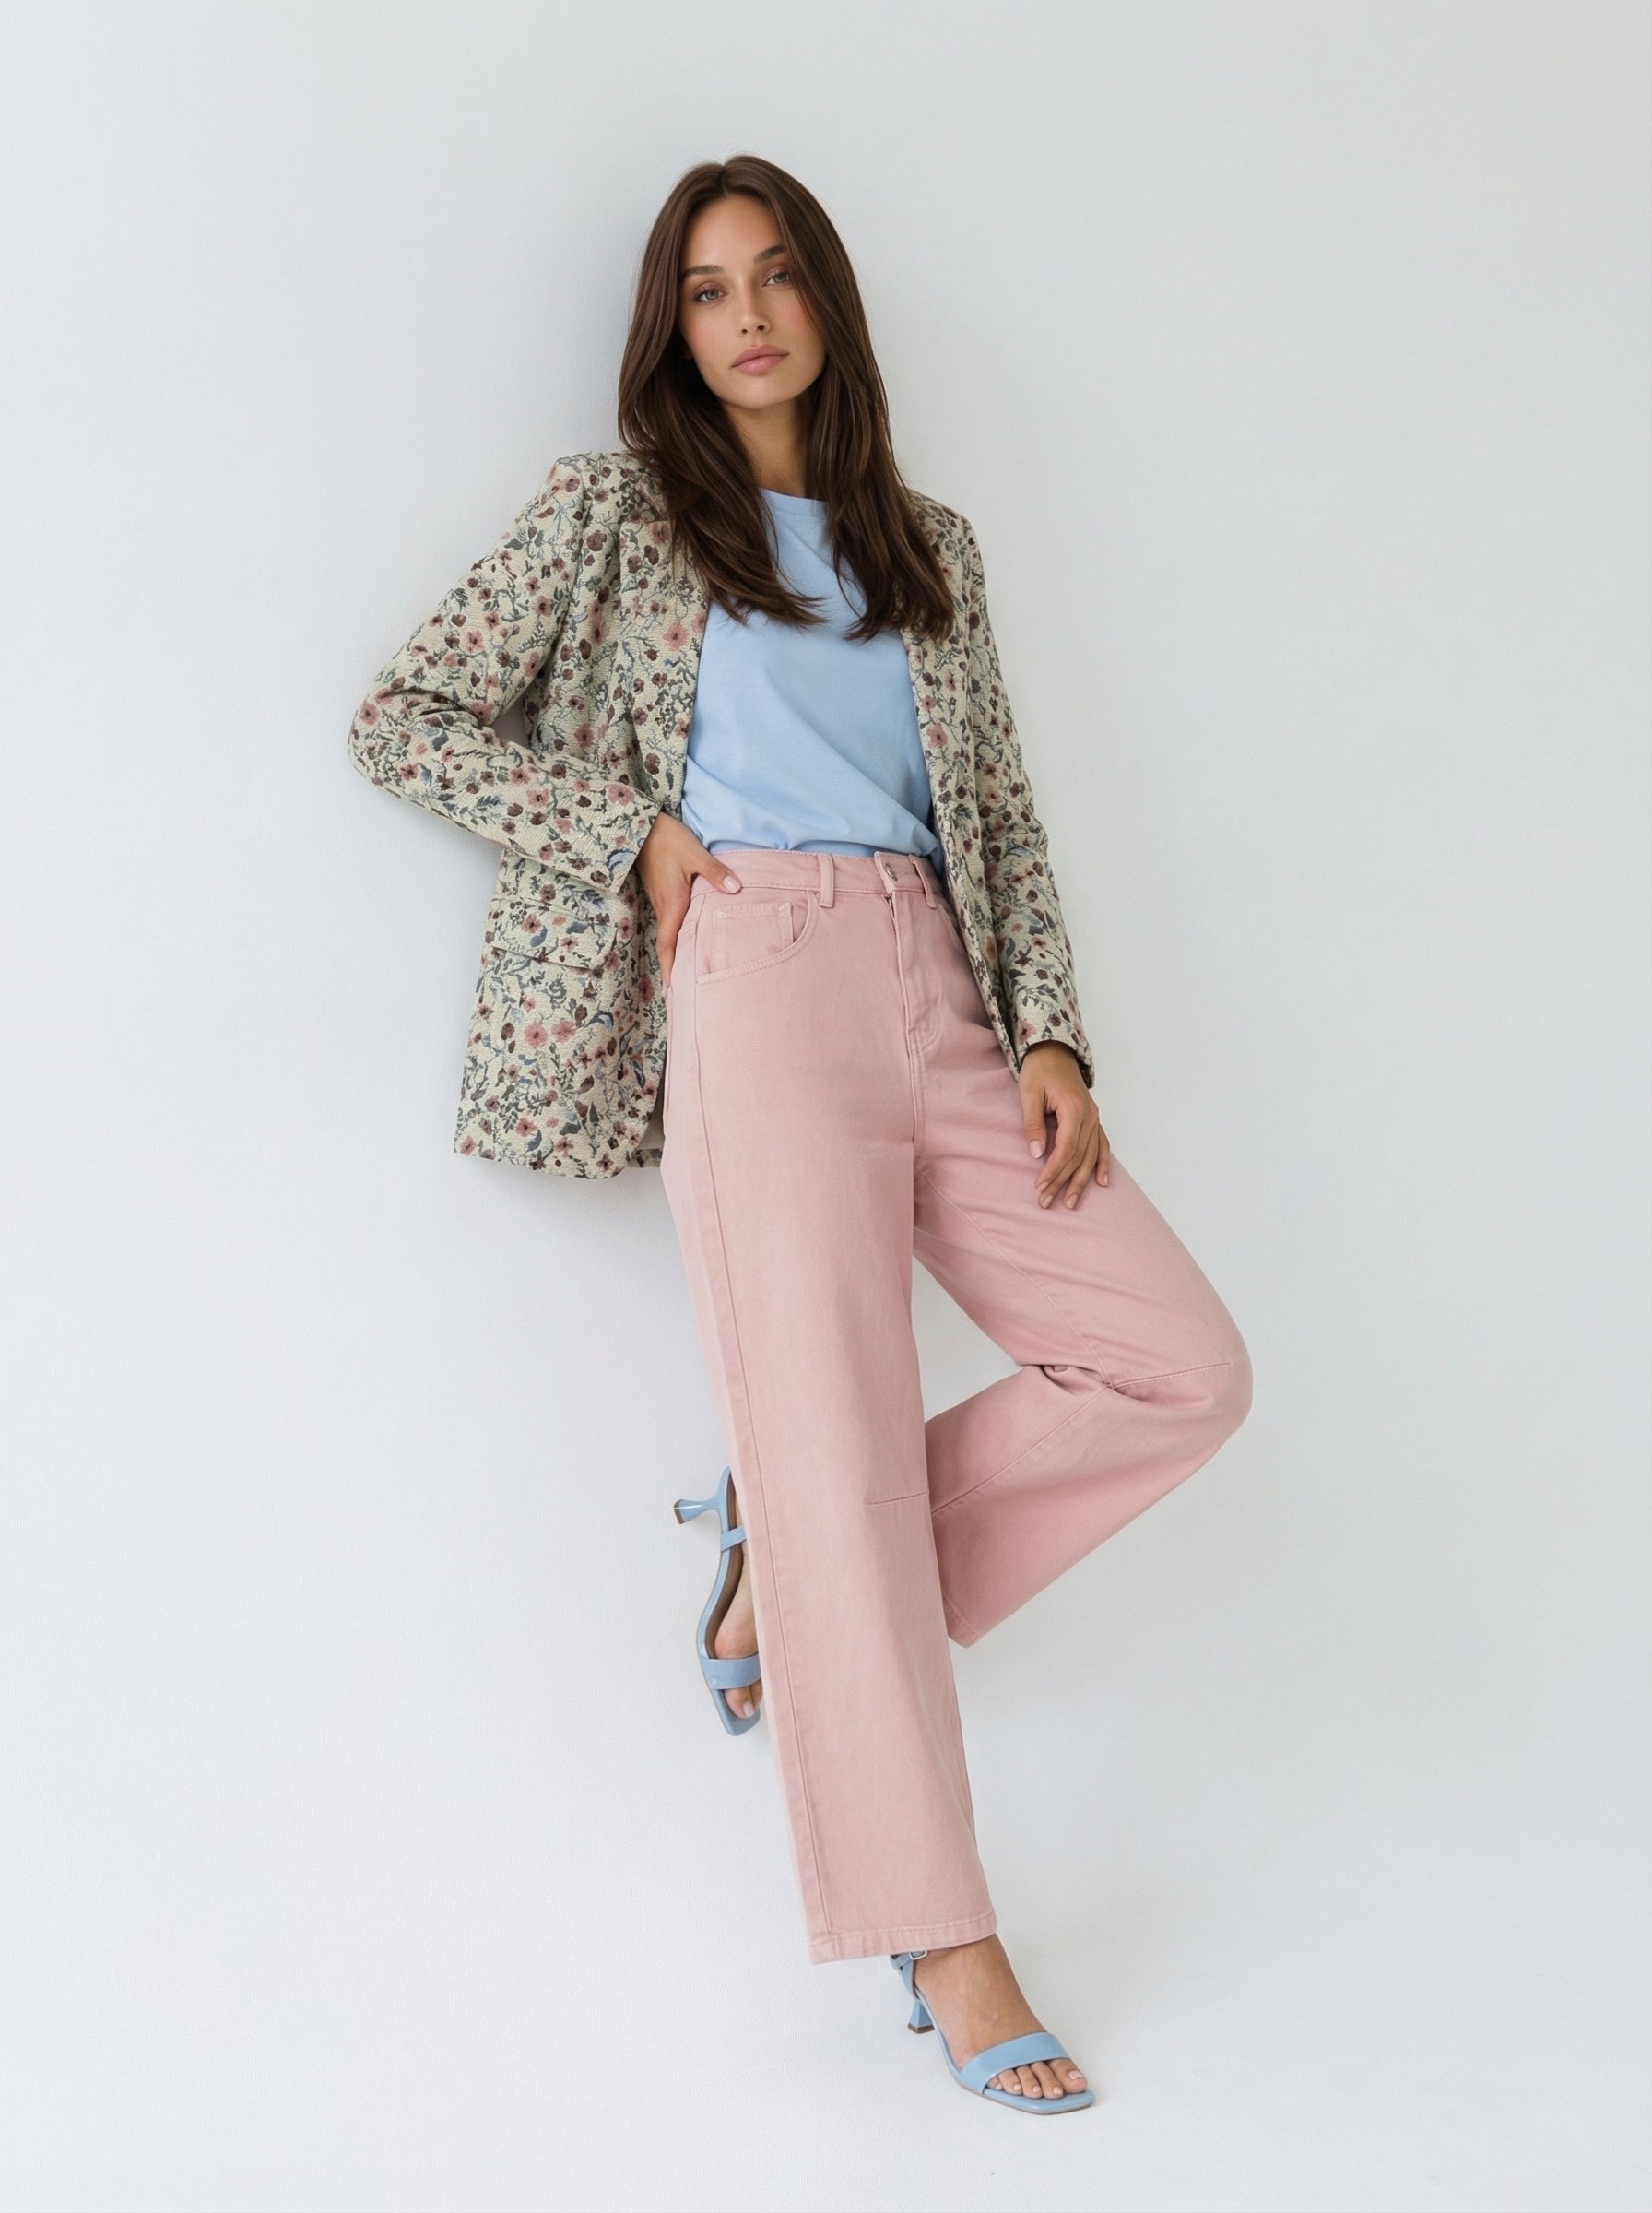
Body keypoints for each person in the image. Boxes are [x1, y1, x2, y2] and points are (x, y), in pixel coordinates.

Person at [348, 154, 1252, 2115]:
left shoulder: (929, 546)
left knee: (1178, 1367)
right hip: (750, 973)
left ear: (826, 301)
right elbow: (405, 715)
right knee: (833, 1456)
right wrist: (633, 835)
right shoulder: (615, 514)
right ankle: (944, 1936)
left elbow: (998, 815)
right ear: (670, 330)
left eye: (774, 277)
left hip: (940, 983)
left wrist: (1051, 1031)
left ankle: (798, 1545)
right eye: (705, 289)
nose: (746, 315)